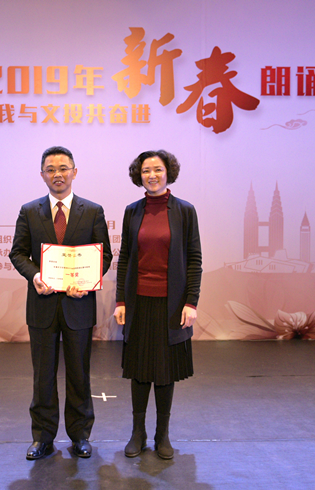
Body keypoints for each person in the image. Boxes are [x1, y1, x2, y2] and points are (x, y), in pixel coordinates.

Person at [10, 146, 113, 460]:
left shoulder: (92, 211)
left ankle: (80, 435)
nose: (58, 174)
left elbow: (104, 255)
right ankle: (42, 438)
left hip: (78, 306)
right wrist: (35, 275)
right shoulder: (29, 210)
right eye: (51, 169)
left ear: (74, 172)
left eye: (63, 168)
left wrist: (86, 282)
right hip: (41, 305)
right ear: (42, 175)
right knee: (42, 376)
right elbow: (18, 253)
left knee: (79, 374)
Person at [113, 149, 202, 460]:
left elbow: (194, 260)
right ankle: (137, 433)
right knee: (139, 371)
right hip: (138, 302)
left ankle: (162, 435)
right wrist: (121, 300)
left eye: (158, 169)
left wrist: (191, 302)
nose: (152, 175)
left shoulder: (185, 211)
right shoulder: (132, 211)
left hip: (171, 305)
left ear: (168, 173)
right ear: (139, 175)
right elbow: (125, 258)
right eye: (146, 170)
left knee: (164, 372)